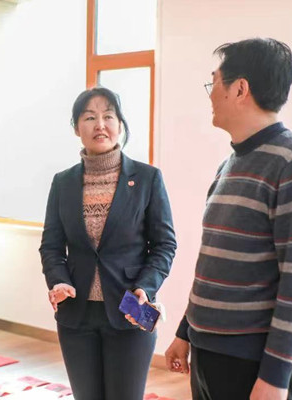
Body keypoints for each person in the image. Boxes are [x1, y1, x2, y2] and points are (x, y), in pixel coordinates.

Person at [165, 38, 292, 400]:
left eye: (214, 83)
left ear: (240, 89)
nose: (210, 95)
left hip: (255, 363)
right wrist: (185, 331)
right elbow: (213, 263)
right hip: (210, 351)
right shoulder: (230, 164)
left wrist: (274, 377)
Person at [39, 87, 177, 400]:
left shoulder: (148, 178)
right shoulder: (63, 182)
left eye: (108, 116)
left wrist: (145, 288)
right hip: (76, 313)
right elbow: (51, 245)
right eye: (89, 117)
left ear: (120, 124)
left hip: (131, 309)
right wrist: (58, 280)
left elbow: (164, 245)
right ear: (77, 128)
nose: (100, 125)